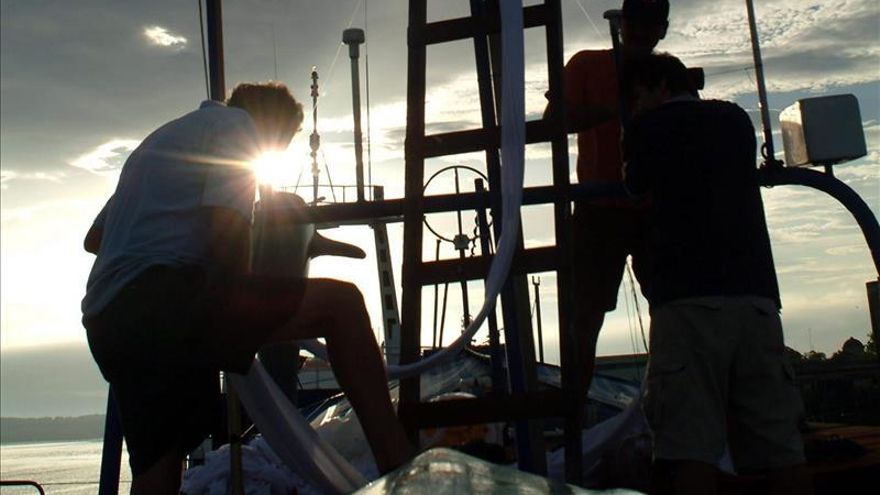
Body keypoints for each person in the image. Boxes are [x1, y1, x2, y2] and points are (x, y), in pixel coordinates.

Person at [82, 82, 413, 494]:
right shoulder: (238, 129)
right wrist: (248, 300)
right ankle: (401, 469)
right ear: (272, 128)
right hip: (165, 303)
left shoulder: (164, 141)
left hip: (109, 319)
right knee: (342, 305)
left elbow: (94, 239)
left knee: (158, 469)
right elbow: (227, 228)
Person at [621, 54, 811, 495]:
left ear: (658, 88)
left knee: (689, 449)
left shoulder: (646, 130)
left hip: (688, 303)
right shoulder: (734, 120)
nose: (634, 108)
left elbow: (635, 185)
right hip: (757, 300)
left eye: (637, 98)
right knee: (781, 448)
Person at [545, 0, 669, 396]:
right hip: (598, 210)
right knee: (585, 320)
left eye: (650, 24)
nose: (642, 32)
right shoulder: (586, 65)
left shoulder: (668, 73)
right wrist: (612, 112)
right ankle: (575, 414)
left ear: (662, 29)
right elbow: (554, 121)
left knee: (673, 307)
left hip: (653, 206)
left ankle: (666, 403)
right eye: (637, 22)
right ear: (623, 23)